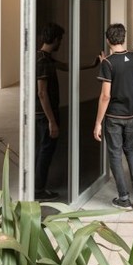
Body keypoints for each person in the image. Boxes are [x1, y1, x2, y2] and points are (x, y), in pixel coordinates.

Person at [35, 22, 99, 201]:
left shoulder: (43, 57)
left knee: (44, 150)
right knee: (45, 151)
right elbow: (42, 93)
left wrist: (91, 65)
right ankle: (38, 190)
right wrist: (52, 121)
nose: (61, 43)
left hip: (44, 114)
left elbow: (66, 66)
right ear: (55, 39)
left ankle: (38, 186)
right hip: (45, 115)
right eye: (60, 39)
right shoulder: (43, 61)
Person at [94, 23, 133, 210]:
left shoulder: (108, 63)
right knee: (130, 150)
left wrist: (98, 123)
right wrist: (106, 62)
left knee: (115, 155)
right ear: (123, 38)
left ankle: (124, 198)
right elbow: (124, 70)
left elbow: (105, 96)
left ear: (108, 40)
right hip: (131, 114)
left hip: (114, 117)